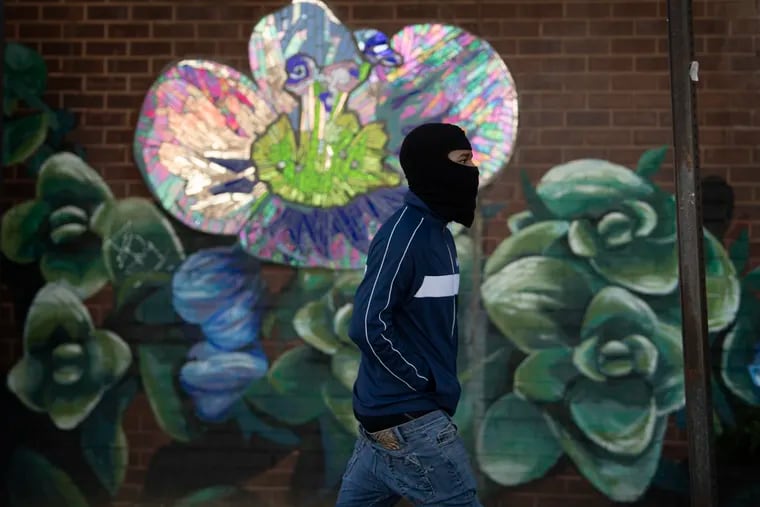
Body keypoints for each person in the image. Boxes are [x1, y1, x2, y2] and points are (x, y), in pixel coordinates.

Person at [336, 123, 483, 507]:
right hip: (412, 424)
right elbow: (368, 325)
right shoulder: (407, 235)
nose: (472, 171)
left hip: (389, 428)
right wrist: (423, 380)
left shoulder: (438, 234)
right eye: (463, 161)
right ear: (433, 166)